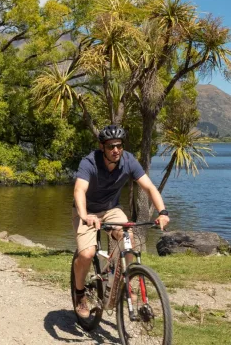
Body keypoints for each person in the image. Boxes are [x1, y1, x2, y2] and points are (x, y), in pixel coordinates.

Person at [72, 124, 170, 318]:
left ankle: (122, 281)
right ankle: (80, 293)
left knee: (128, 239)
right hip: (87, 211)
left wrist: (163, 212)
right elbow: (79, 191)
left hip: (111, 210)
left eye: (119, 145)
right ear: (102, 147)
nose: (115, 150)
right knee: (87, 253)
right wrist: (85, 215)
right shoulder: (89, 162)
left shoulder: (129, 161)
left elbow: (149, 187)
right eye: (110, 146)